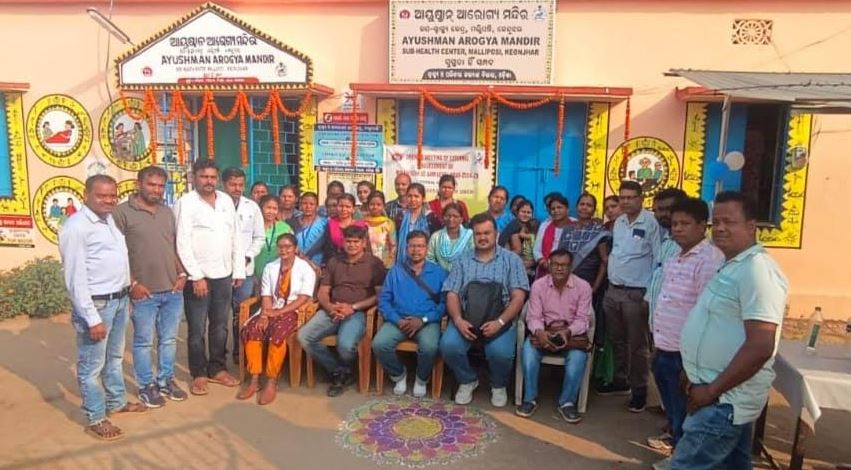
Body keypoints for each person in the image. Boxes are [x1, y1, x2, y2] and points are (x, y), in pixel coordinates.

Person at [670, 192, 788, 469]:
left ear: (751, 226)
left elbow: (760, 345)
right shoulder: (733, 265)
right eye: (717, 222)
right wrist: (692, 368)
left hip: (723, 400)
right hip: (717, 392)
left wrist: (711, 391)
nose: (720, 228)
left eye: (730, 222)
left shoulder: (758, 271)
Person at [59, 174, 146, 441]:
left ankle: (116, 402)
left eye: (112, 196)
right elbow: (74, 278)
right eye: (101, 195)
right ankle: (96, 417)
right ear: (87, 195)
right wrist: (91, 318)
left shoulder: (109, 221)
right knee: (91, 366)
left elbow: (118, 261)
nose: (108, 200)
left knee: (115, 357)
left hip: (118, 300)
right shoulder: (76, 227)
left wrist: (128, 289)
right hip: (97, 305)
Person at [646, 198, 724, 461]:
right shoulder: (676, 257)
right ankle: (675, 447)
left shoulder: (708, 260)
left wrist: (694, 362)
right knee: (673, 407)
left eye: (685, 224)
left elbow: (707, 313)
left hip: (686, 353)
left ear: (702, 225)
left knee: (686, 409)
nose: (677, 229)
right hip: (665, 346)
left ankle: (682, 458)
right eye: (675, 224)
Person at [113, 166, 189, 409]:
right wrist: (132, 283)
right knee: (144, 342)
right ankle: (146, 385)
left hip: (173, 290)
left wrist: (182, 273)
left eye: (160, 186)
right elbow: (116, 253)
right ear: (139, 184)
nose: (156, 190)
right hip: (143, 292)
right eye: (151, 184)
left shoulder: (167, 212)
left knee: (169, 340)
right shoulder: (121, 213)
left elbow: (172, 246)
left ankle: (166, 380)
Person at [439, 213, 529, 407]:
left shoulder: (512, 260)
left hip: (500, 320)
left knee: (500, 353)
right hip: (467, 319)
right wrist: (458, 320)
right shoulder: (462, 260)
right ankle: (467, 380)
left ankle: (498, 384)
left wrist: (500, 322)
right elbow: (452, 293)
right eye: (478, 234)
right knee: (448, 345)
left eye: (487, 233)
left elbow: (518, 297)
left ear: (496, 233)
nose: (482, 237)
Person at [175, 159, 245, 396]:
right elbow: (182, 242)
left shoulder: (225, 201)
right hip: (199, 277)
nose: (209, 181)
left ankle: (218, 368)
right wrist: (196, 276)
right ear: (194, 177)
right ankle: (199, 373)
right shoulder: (186, 203)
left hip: (224, 275)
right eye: (204, 176)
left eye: (213, 177)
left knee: (220, 326)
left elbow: (235, 236)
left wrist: (238, 269)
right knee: (197, 329)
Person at [297, 225, 386, 397]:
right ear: (343, 242)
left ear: (364, 243)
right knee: (304, 336)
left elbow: (379, 296)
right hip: (332, 310)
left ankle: (343, 371)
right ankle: (339, 371)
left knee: (345, 346)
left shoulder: (374, 264)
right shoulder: (334, 262)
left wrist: (353, 307)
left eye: (356, 242)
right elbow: (323, 292)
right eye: (348, 241)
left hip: (358, 312)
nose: (352, 245)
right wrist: (330, 307)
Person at [598, 180, 661, 413]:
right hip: (613, 290)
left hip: (636, 293)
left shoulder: (651, 223)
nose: (625, 202)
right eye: (622, 197)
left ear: (641, 199)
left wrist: (649, 295)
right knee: (617, 340)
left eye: (630, 197)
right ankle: (620, 381)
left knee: (637, 345)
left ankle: (640, 390)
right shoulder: (620, 222)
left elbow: (658, 259)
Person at [238, 233, 316, 405]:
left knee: (277, 334)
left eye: (288, 247)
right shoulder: (270, 267)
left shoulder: (305, 269)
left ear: (295, 248)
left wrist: (279, 312)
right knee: (253, 330)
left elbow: (303, 298)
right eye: (280, 247)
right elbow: (266, 294)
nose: (284, 250)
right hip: (271, 308)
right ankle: (254, 379)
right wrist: (265, 315)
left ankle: (272, 381)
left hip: (293, 311)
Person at [516, 249, 592, 423]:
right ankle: (530, 399)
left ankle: (567, 403)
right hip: (544, 331)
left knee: (578, 358)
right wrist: (540, 332)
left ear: (571, 267)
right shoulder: (538, 285)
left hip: (571, 335)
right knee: (528, 352)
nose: (559, 268)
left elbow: (583, 319)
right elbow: (533, 317)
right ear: (549, 266)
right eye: (556, 264)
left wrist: (567, 332)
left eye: (564, 265)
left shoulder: (583, 287)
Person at [374, 231, 447, 397]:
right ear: (406, 248)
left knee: (430, 347)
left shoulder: (439, 273)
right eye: (412, 246)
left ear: (427, 249)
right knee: (379, 344)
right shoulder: (395, 271)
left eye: (420, 246)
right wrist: (397, 320)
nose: (416, 250)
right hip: (399, 320)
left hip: (427, 321)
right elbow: (384, 300)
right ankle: (399, 375)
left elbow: (444, 304)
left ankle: (421, 379)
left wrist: (423, 320)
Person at [223, 167, 265, 364]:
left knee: (242, 313)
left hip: (245, 271)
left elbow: (259, 237)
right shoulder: (217, 205)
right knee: (220, 315)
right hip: (221, 270)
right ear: (224, 184)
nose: (237, 188)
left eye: (240, 184)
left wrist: (248, 255)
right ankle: (219, 355)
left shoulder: (252, 207)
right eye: (233, 184)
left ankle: (239, 352)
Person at [645, 188, 687, 330]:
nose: (661, 214)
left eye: (667, 209)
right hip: (660, 326)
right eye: (657, 210)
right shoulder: (666, 242)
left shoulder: (690, 248)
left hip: (679, 327)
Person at [252, 195, 294, 282]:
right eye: (268, 208)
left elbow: (293, 251)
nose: (271, 211)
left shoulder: (285, 228)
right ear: (261, 208)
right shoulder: (253, 226)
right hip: (254, 273)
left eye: (274, 208)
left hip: (278, 275)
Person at [395, 183, 437, 266]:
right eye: (409, 196)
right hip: (403, 260)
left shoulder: (431, 217)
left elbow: (434, 242)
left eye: (416, 196)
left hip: (425, 262)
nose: (412, 199)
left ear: (423, 199)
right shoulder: (400, 216)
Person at [533, 193, 572, 279]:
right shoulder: (545, 225)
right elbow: (536, 250)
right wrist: (545, 264)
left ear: (567, 209)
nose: (556, 211)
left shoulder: (575, 224)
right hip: (546, 270)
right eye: (553, 209)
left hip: (569, 271)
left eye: (559, 207)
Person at [427, 202, 473, 271]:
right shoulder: (436, 237)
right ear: (443, 218)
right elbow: (429, 259)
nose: (451, 219)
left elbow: (474, 257)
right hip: (440, 275)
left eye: (455, 216)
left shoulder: (470, 235)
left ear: (461, 219)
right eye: (447, 216)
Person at [289, 191, 328, 266]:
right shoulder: (292, 222)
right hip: (295, 263)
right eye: (305, 203)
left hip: (317, 265)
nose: (308, 206)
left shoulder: (324, 223)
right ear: (300, 205)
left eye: (311, 204)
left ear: (317, 206)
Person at [326, 193, 367, 259]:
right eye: (341, 206)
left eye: (348, 207)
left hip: (358, 260)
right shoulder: (330, 224)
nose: (344, 209)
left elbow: (365, 247)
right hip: (335, 260)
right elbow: (327, 247)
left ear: (353, 209)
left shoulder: (361, 225)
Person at [364, 191, 397, 268]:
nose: (375, 207)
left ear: (383, 206)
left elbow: (393, 246)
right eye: (372, 204)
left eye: (378, 205)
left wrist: (388, 264)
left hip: (385, 264)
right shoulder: (363, 223)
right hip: (366, 264)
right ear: (367, 206)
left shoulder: (388, 223)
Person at [509, 200, 539, 280]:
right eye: (523, 212)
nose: (525, 214)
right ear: (517, 213)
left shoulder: (535, 226)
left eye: (528, 212)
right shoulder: (513, 227)